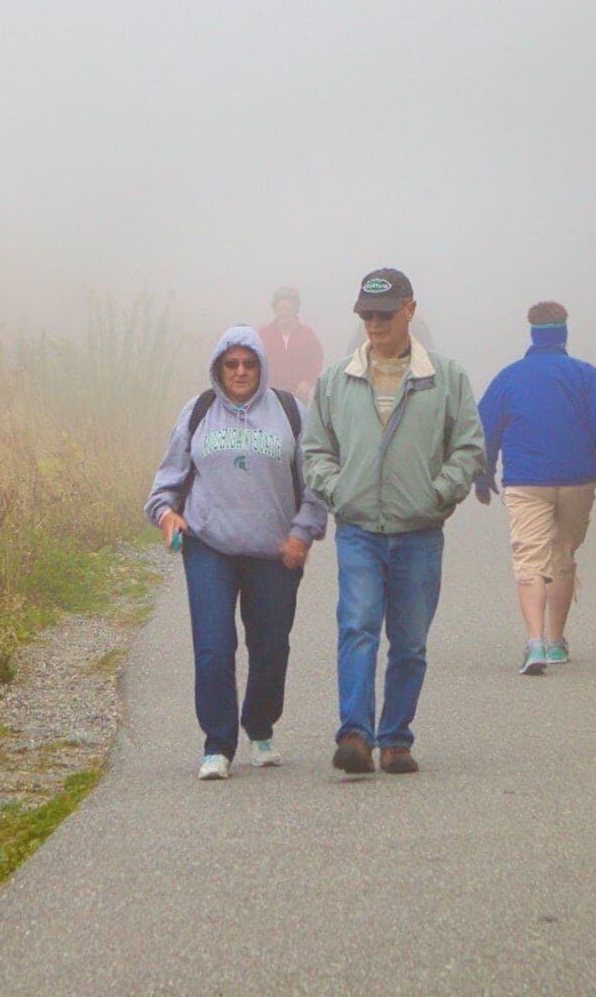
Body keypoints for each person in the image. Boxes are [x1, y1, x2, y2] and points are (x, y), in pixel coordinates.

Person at [303, 267, 484, 777]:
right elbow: (315, 450)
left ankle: (396, 740)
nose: (375, 323)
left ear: (410, 309)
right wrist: (339, 490)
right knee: (357, 628)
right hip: (359, 531)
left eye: (384, 313)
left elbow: (469, 447)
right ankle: (355, 736)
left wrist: (438, 493)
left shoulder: (445, 377)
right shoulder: (336, 379)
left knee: (409, 643)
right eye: (366, 314)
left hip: (419, 533)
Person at [148, 326, 326, 781]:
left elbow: (317, 483)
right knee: (213, 645)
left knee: (271, 647)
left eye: (249, 363)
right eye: (231, 364)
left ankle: (260, 727)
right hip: (209, 545)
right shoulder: (198, 411)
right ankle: (218, 744)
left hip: (275, 551)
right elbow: (166, 484)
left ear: (262, 366)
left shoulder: (291, 412)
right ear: (219, 368)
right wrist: (167, 516)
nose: (240, 372)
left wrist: (303, 533)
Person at [475, 300, 596, 675]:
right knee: (563, 555)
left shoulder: (509, 378)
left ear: (532, 332)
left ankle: (534, 643)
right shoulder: (585, 376)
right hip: (577, 478)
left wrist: (483, 476)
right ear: (564, 331)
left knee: (529, 559)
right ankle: (556, 640)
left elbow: (486, 430)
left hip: (526, 480)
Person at [256, 287, 326, 400]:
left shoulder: (307, 336)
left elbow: (317, 360)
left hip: (298, 398)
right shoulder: (264, 334)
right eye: (281, 309)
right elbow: (255, 361)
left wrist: (308, 381)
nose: (284, 313)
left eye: (288, 309)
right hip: (269, 398)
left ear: (295, 310)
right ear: (275, 309)